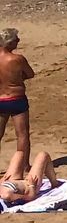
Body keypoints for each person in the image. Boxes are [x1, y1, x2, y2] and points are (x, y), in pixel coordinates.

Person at [0, 29, 33, 166]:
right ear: (9, 42)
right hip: (16, 99)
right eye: (16, 39)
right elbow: (30, 74)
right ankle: (24, 166)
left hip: (1, 99)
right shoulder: (17, 59)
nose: (18, 41)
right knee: (22, 134)